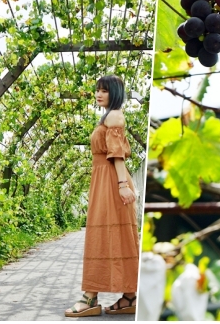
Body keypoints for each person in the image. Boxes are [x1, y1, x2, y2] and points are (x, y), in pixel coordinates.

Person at [65, 74, 140, 317]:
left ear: (115, 93)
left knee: (105, 233)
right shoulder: (107, 116)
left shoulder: (115, 115)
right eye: (97, 90)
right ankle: (128, 296)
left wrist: (122, 185)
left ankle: (91, 295)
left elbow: (116, 153)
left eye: (104, 91)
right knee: (110, 233)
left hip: (111, 180)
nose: (99, 94)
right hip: (103, 179)